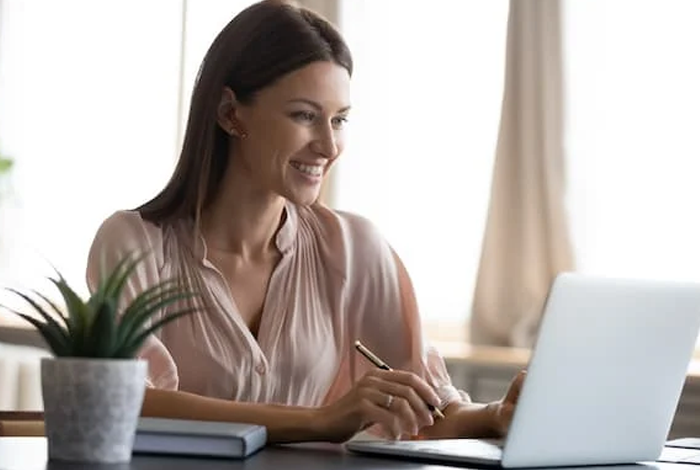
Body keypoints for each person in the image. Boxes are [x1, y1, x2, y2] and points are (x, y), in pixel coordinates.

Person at [86, 0, 524, 444]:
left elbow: (430, 411)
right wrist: (319, 421)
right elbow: (124, 398)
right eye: (304, 116)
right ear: (229, 112)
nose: (329, 145)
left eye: (339, 119)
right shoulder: (132, 244)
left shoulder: (355, 248)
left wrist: (495, 414)